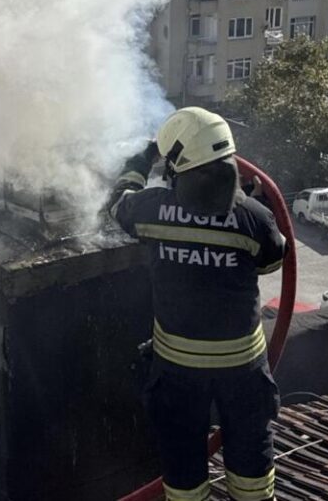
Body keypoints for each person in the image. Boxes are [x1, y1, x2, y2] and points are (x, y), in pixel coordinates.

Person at [107, 107, 285, 501]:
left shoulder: (152, 208)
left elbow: (118, 202)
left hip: (178, 371)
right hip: (243, 369)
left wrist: (140, 160)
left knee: (183, 460)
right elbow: (272, 261)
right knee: (251, 457)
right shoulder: (253, 217)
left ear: (176, 165)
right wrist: (259, 205)